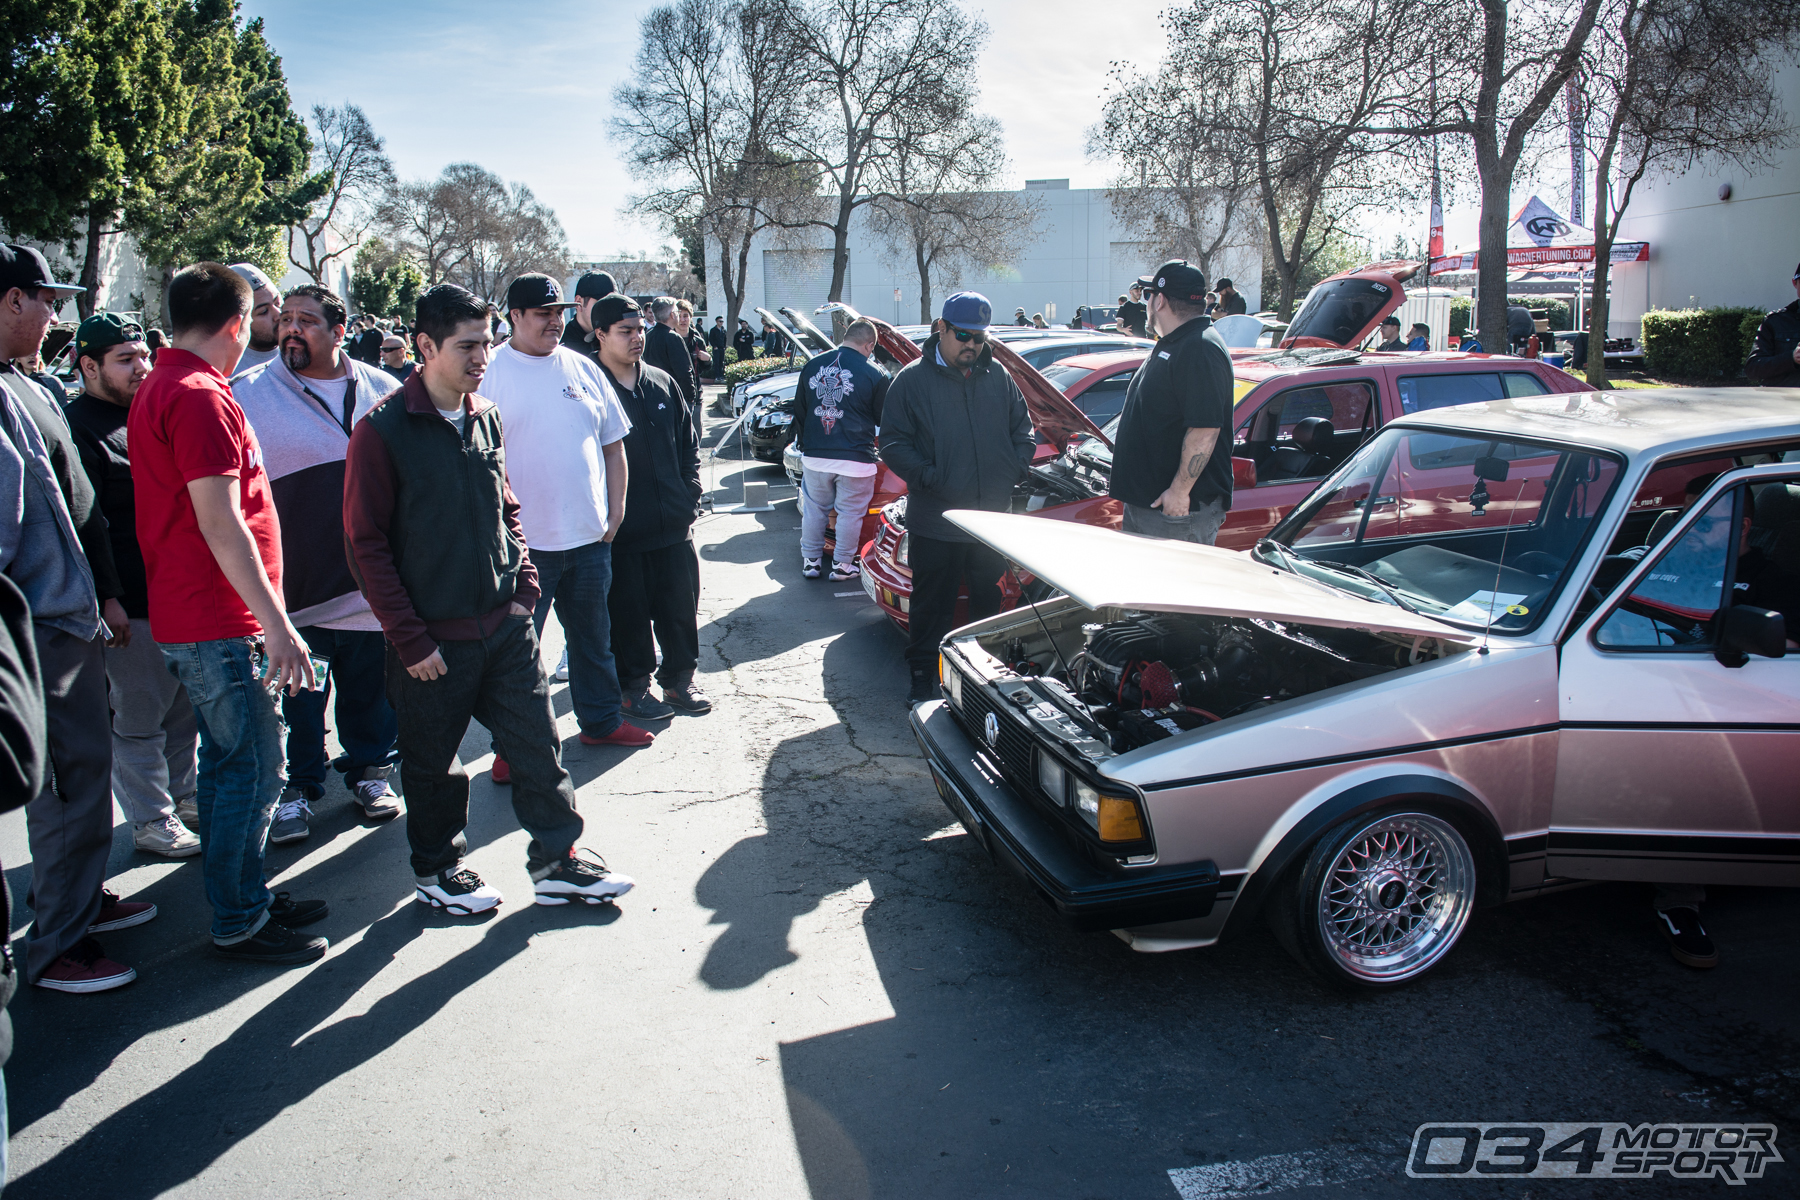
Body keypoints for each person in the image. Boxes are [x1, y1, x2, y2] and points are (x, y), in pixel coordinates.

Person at [344, 283, 634, 912]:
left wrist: (524, 585)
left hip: (504, 624)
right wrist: (409, 636)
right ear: (425, 346)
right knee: (434, 767)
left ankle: (558, 861)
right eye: (467, 346)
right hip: (431, 643)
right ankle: (437, 870)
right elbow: (365, 545)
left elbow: (505, 509)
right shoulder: (382, 432)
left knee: (538, 747)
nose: (483, 357)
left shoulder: (485, 415)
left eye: (486, 342)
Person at [131, 262, 332, 966]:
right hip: (220, 619)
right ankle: (241, 915)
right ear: (238, 324)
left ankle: (242, 895)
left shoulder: (169, 383)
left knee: (229, 768)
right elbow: (221, 520)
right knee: (253, 771)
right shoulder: (196, 395)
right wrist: (275, 624)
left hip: (203, 615)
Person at [0, 244, 154, 993]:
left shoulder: (24, 383)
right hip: (37, 633)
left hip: (71, 619)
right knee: (67, 785)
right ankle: (57, 944)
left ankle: (79, 899)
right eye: (44, 299)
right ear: (10, 302)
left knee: (87, 777)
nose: (53, 315)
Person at [232, 283, 404, 845]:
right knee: (298, 700)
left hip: (371, 585)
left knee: (368, 691)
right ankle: (295, 790)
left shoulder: (384, 388)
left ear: (340, 329)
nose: (289, 328)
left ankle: (371, 772)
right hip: (294, 590)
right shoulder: (247, 394)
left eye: (306, 320)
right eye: (285, 319)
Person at [483, 272, 649, 761]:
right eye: (542, 314)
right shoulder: (489, 372)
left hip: (589, 539)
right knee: (517, 655)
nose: (554, 322)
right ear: (515, 316)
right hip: (521, 546)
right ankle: (513, 749)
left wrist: (615, 511)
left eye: (559, 313)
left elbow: (613, 444)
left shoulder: (582, 369)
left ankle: (600, 722)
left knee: (593, 641)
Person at [65, 314, 201, 859]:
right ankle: (150, 819)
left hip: (177, 592)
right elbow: (85, 523)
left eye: (144, 355)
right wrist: (107, 599)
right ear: (89, 366)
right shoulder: (77, 427)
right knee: (139, 717)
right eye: (125, 359)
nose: (141, 368)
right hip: (130, 603)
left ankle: (183, 797)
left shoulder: (149, 412)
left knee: (183, 710)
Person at [880, 292, 1032, 705]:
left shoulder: (998, 376)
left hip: (988, 523)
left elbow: (1024, 430)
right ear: (941, 329)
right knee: (931, 608)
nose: (973, 345)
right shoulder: (911, 380)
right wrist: (930, 477)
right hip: (936, 519)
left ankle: (980, 681)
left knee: (987, 602)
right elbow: (892, 443)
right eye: (964, 335)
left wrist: (1015, 468)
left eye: (981, 337)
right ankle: (921, 680)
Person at [589, 294, 711, 720]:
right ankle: (634, 689)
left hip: (674, 526)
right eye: (625, 331)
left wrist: (689, 494)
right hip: (621, 534)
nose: (637, 338)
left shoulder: (661, 382)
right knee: (629, 617)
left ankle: (680, 682)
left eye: (640, 329)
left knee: (680, 608)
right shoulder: (589, 388)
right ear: (600, 334)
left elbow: (687, 447)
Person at [1107, 260, 1235, 547]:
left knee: (1172, 592)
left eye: (1149, 295)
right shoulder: (1176, 342)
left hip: (1175, 514)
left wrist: (1179, 492)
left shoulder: (1200, 347)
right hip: (1151, 506)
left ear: (1160, 300)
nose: (1147, 302)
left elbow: (1205, 430)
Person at [794, 319, 890, 583]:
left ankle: (810, 562)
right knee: (850, 513)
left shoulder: (812, 365)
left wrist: (806, 445)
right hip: (856, 459)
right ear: (869, 345)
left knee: (815, 510)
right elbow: (885, 419)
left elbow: (800, 411)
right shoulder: (876, 373)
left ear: (846, 336)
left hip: (816, 455)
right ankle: (842, 566)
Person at [643, 297, 699, 435]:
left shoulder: (648, 336)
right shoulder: (673, 337)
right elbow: (684, 371)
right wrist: (691, 397)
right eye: (676, 312)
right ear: (672, 315)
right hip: (674, 398)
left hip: (652, 396)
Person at [1745, 262, 1800, 387]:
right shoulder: (1775, 321)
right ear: (1794, 283)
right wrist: (1791, 358)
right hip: (1781, 402)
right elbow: (1753, 369)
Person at [228, 263, 281, 375]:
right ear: (240, 322)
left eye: (278, 303)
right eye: (263, 311)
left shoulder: (309, 352)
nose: (278, 315)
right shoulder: (228, 374)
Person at [561, 270, 618, 362]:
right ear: (579, 302)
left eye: (613, 304)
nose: (609, 310)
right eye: (601, 304)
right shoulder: (561, 345)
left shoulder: (618, 340)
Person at [707, 315, 728, 381]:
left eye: (722, 321)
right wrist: (714, 346)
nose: (721, 323)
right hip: (716, 348)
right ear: (716, 322)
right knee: (716, 362)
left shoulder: (723, 330)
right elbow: (711, 339)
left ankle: (721, 376)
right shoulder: (713, 330)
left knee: (721, 362)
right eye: (720, 321)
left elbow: (725, 339)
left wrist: (724, 346)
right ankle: (717, 376)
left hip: (722, 348)